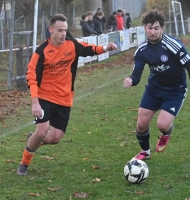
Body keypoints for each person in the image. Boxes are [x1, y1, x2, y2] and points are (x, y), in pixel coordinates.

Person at [17, 14, 117, 176]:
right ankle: (24, 163)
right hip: (44, 97)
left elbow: (88, 49)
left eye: (65, 30)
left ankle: (34, 139)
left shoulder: (71, 45)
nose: (63, 34)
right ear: (51, 30)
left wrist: (105, 48)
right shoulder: (41, 51)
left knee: (55, 138)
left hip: (64, 99)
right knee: (42, 131)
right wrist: (35, 101)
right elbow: (31, 76)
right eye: (60, 30)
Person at [123, 9, 190, 161]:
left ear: (162, 28)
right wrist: (131, 80)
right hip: (154, 90)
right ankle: (145, 151)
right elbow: (137, 75)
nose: (153, 32)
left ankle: (166, 133)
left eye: (156, 28)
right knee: (141, 125)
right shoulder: (142, 50)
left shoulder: (174, 45)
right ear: (144, 27)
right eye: (150, 28)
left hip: (175, 90)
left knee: (162, 125)